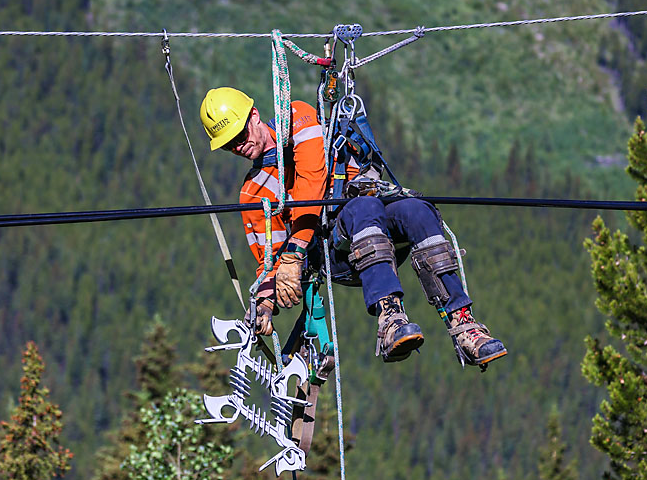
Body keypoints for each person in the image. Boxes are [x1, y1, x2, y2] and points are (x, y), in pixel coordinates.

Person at [199, 86, 507, 367]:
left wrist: (293, 252)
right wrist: (265, 303)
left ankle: (463, 325)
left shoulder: (299, 119)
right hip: (336, 254)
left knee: (416, 210)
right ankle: (390, 318)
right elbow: (270, 258)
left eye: (240, 136)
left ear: (254, 116)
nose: (239, 147)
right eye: (229, 146)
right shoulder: (254, 192)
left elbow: (312, 177)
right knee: (363, 206)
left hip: (374, 230)